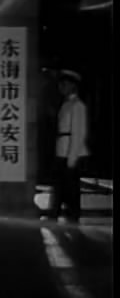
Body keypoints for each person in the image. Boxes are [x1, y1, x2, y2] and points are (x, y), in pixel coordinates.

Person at [48, 69, 89, 224]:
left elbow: (78, 133)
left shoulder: (77, 106)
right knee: (60, 186)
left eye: (64, 84)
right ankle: (56, 213)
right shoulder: (66, 104)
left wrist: (72, 158)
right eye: (61, 84)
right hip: (62, 151)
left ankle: (73, 216)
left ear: (73, 86)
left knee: (71, 189)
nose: (61, 87)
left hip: (71, 153)